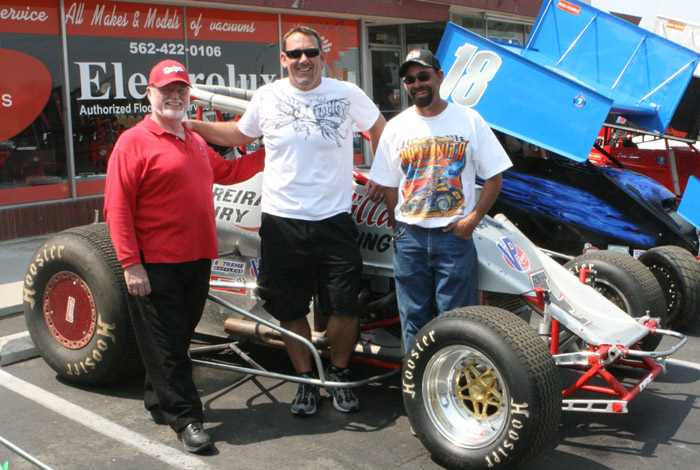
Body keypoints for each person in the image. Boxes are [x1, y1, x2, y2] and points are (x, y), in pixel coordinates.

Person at [187, 26, 385, 416]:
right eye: (295, 54)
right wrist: (192, 127)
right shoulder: (268, 96)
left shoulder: (347, 94)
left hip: (334, 220)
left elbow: (379, 128)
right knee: (291, 308)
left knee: (345, 308)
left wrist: (382, 172)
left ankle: (340, 374)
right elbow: (237, 133)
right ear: (283, 59)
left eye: (310, 52)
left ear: (322, 57)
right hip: (282, 223)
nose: (303, 60)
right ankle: (306, 381)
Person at [104, 59, 264, 453]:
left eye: (180, 90)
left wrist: (272, 151)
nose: (174, 96)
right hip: (155, 264)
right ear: (150, 94)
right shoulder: (133, 142)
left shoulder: (194, 140)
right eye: (166, 90)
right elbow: (117, 208)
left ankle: (158, 400)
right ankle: (187, 418)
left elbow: (229, 172)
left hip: (197, 259)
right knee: (169, 345)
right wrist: (131, 264)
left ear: (188, 95)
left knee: (175, 338)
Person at [367, 49, 512, 350]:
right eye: (409, 80)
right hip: (410, 239)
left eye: (423, 76)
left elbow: (495, 178)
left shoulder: (469, 119)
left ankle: (452, 376)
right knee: (413, 321)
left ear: (440, 77)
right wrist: (398, 227)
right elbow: (390, 185)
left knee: (458, 323)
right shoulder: (396, 127)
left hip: (454, 238)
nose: (416, 84)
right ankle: (416, 378)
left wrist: (472, 220)